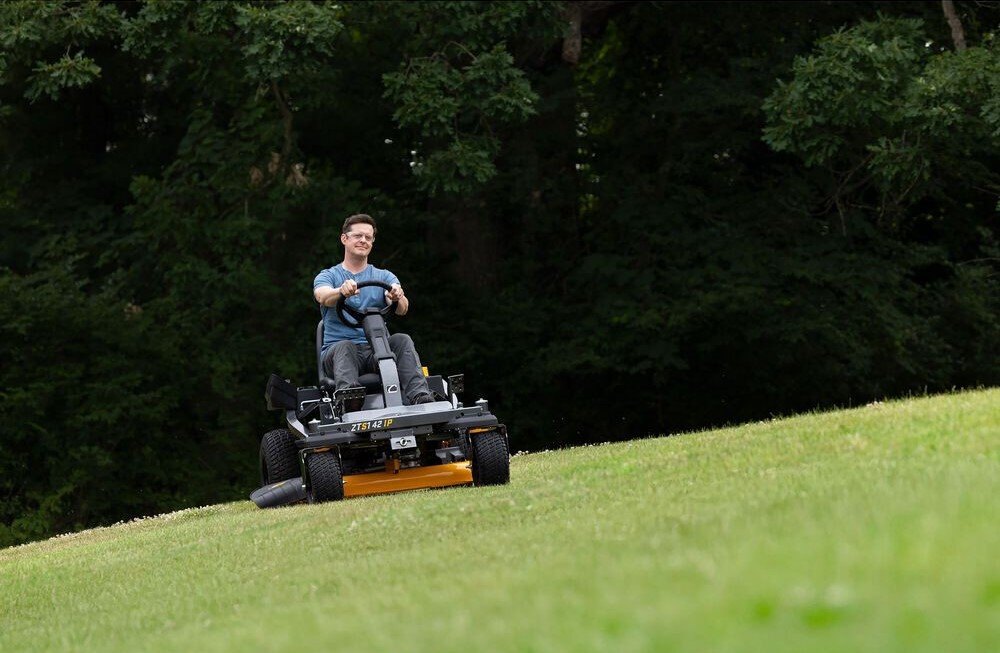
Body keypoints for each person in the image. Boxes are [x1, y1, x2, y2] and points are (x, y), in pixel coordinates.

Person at [313, 214, 434, 405]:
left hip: (376, 351)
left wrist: (396, 296)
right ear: (344, 238)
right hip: (339, 354)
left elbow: (402, 309)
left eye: (368, 237)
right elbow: (323, 296)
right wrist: (341, 291)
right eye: (358, 236)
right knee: (345, 347)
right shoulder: (328, 275)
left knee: (402, 339)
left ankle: (420, 397)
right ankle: (349, 402)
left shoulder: (384, 276)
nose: (363, 240)